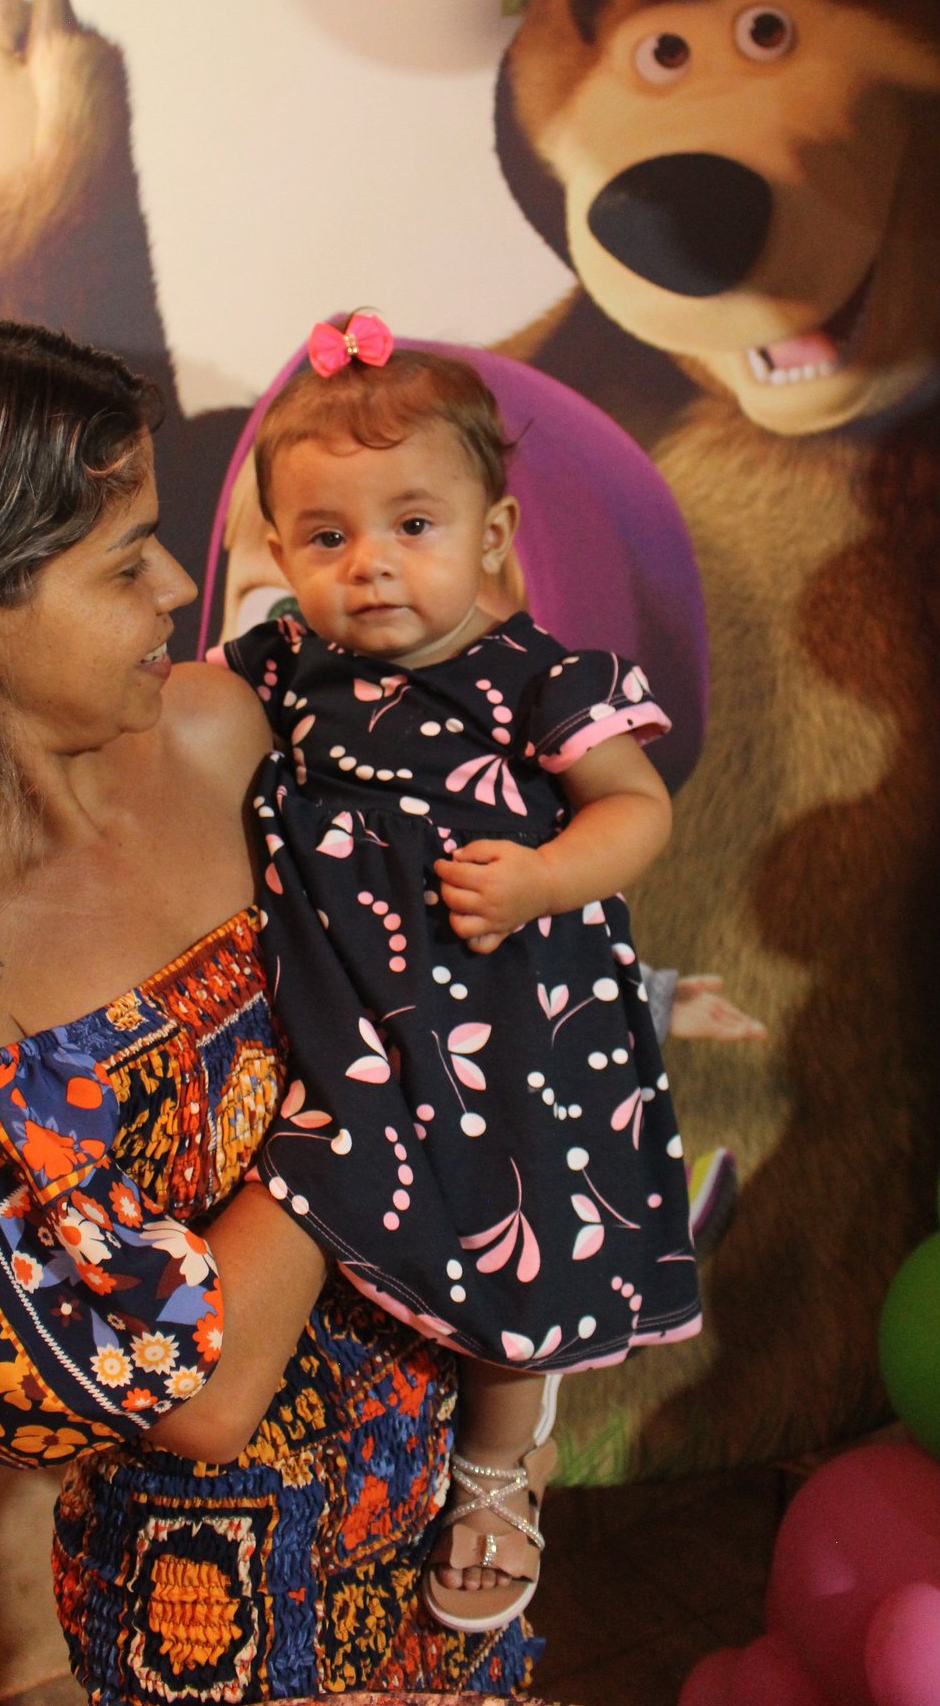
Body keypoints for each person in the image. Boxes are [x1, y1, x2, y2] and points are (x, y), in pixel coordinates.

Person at [0, 309, 537, 1703]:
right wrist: (387, 1071)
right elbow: (200, 1392)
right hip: (224, 1616)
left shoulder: (223, 731)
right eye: (121, 561)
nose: (179, 583)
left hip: (449, 1506)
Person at [218, 314, 725, 1635]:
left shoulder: (537, 681)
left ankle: (500, 1472)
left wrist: (545, 876)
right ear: (278, 553)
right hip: (347, 1032)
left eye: (413, 526)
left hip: (516, 1041)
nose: (370, 564)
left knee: (523, 1256)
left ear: (492, 535)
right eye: (326, 537)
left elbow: (636, 810)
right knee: (335, 1240)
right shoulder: (282, 672)